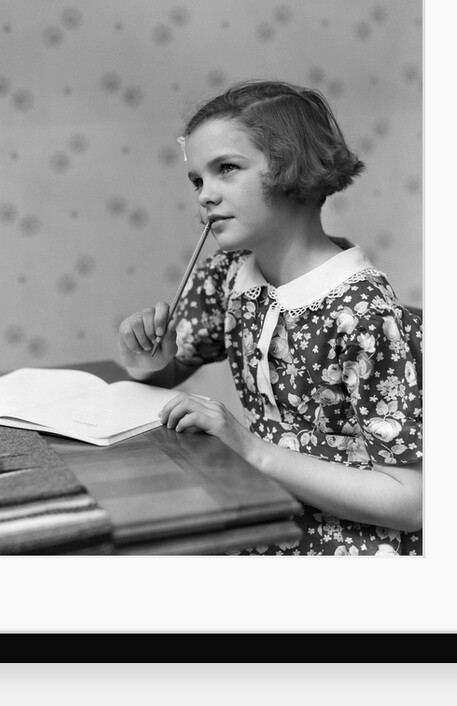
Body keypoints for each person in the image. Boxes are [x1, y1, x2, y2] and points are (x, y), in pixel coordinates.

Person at [118, 80, 422, 556]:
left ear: (294, 169)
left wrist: (253, 450)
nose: (204, 195)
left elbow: (411, 502)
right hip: (262, 521)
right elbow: (172, 372)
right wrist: (152, 360)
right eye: (198, 180)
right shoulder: (228, 276)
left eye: (227, 170)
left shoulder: (366, 314)